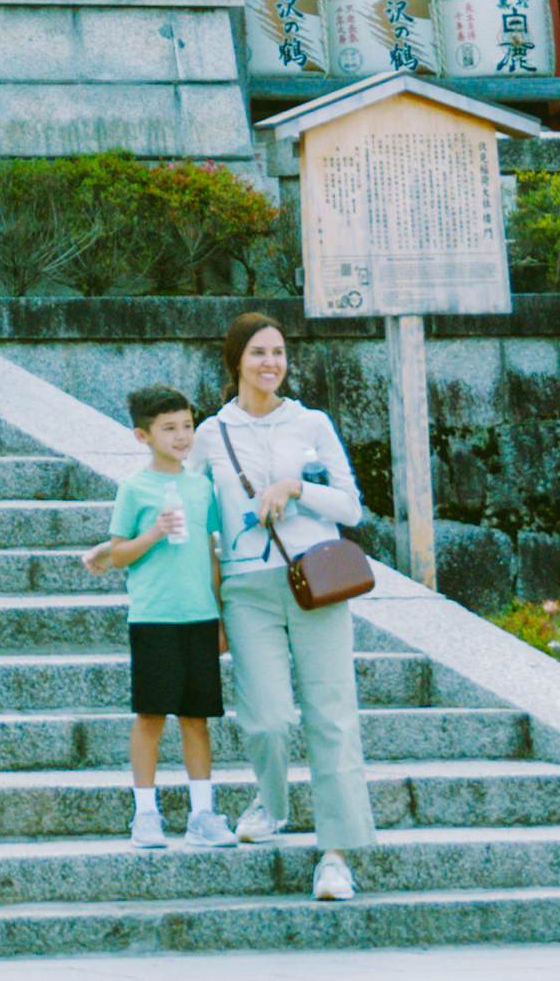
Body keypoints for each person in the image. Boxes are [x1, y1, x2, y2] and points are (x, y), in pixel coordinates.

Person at [209, 307, 378, 902]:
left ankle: (335, 855)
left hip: (317, 581)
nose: (271, 363)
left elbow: (351, 507)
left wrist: (296, 488)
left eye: (278, 352)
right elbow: (205, 521)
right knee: (268, 718)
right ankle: (272, 802)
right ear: (235, 362)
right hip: (246, 588)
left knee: (331, 715)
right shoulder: (211, 434)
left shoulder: (312, 423)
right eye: (258, 353)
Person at [82, 385, 235, 853]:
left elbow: (211, 552)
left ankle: (202, 812)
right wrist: (153, 531)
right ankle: (145, 813)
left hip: (198, 615)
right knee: (150, 715)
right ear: (142, 435)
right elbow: (120, 552)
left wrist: (221, 615)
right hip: (153, 616)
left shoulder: (200, 485)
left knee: (197, 718)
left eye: (187, 426)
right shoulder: (135, 487)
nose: (181, 436)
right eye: (169, 428)